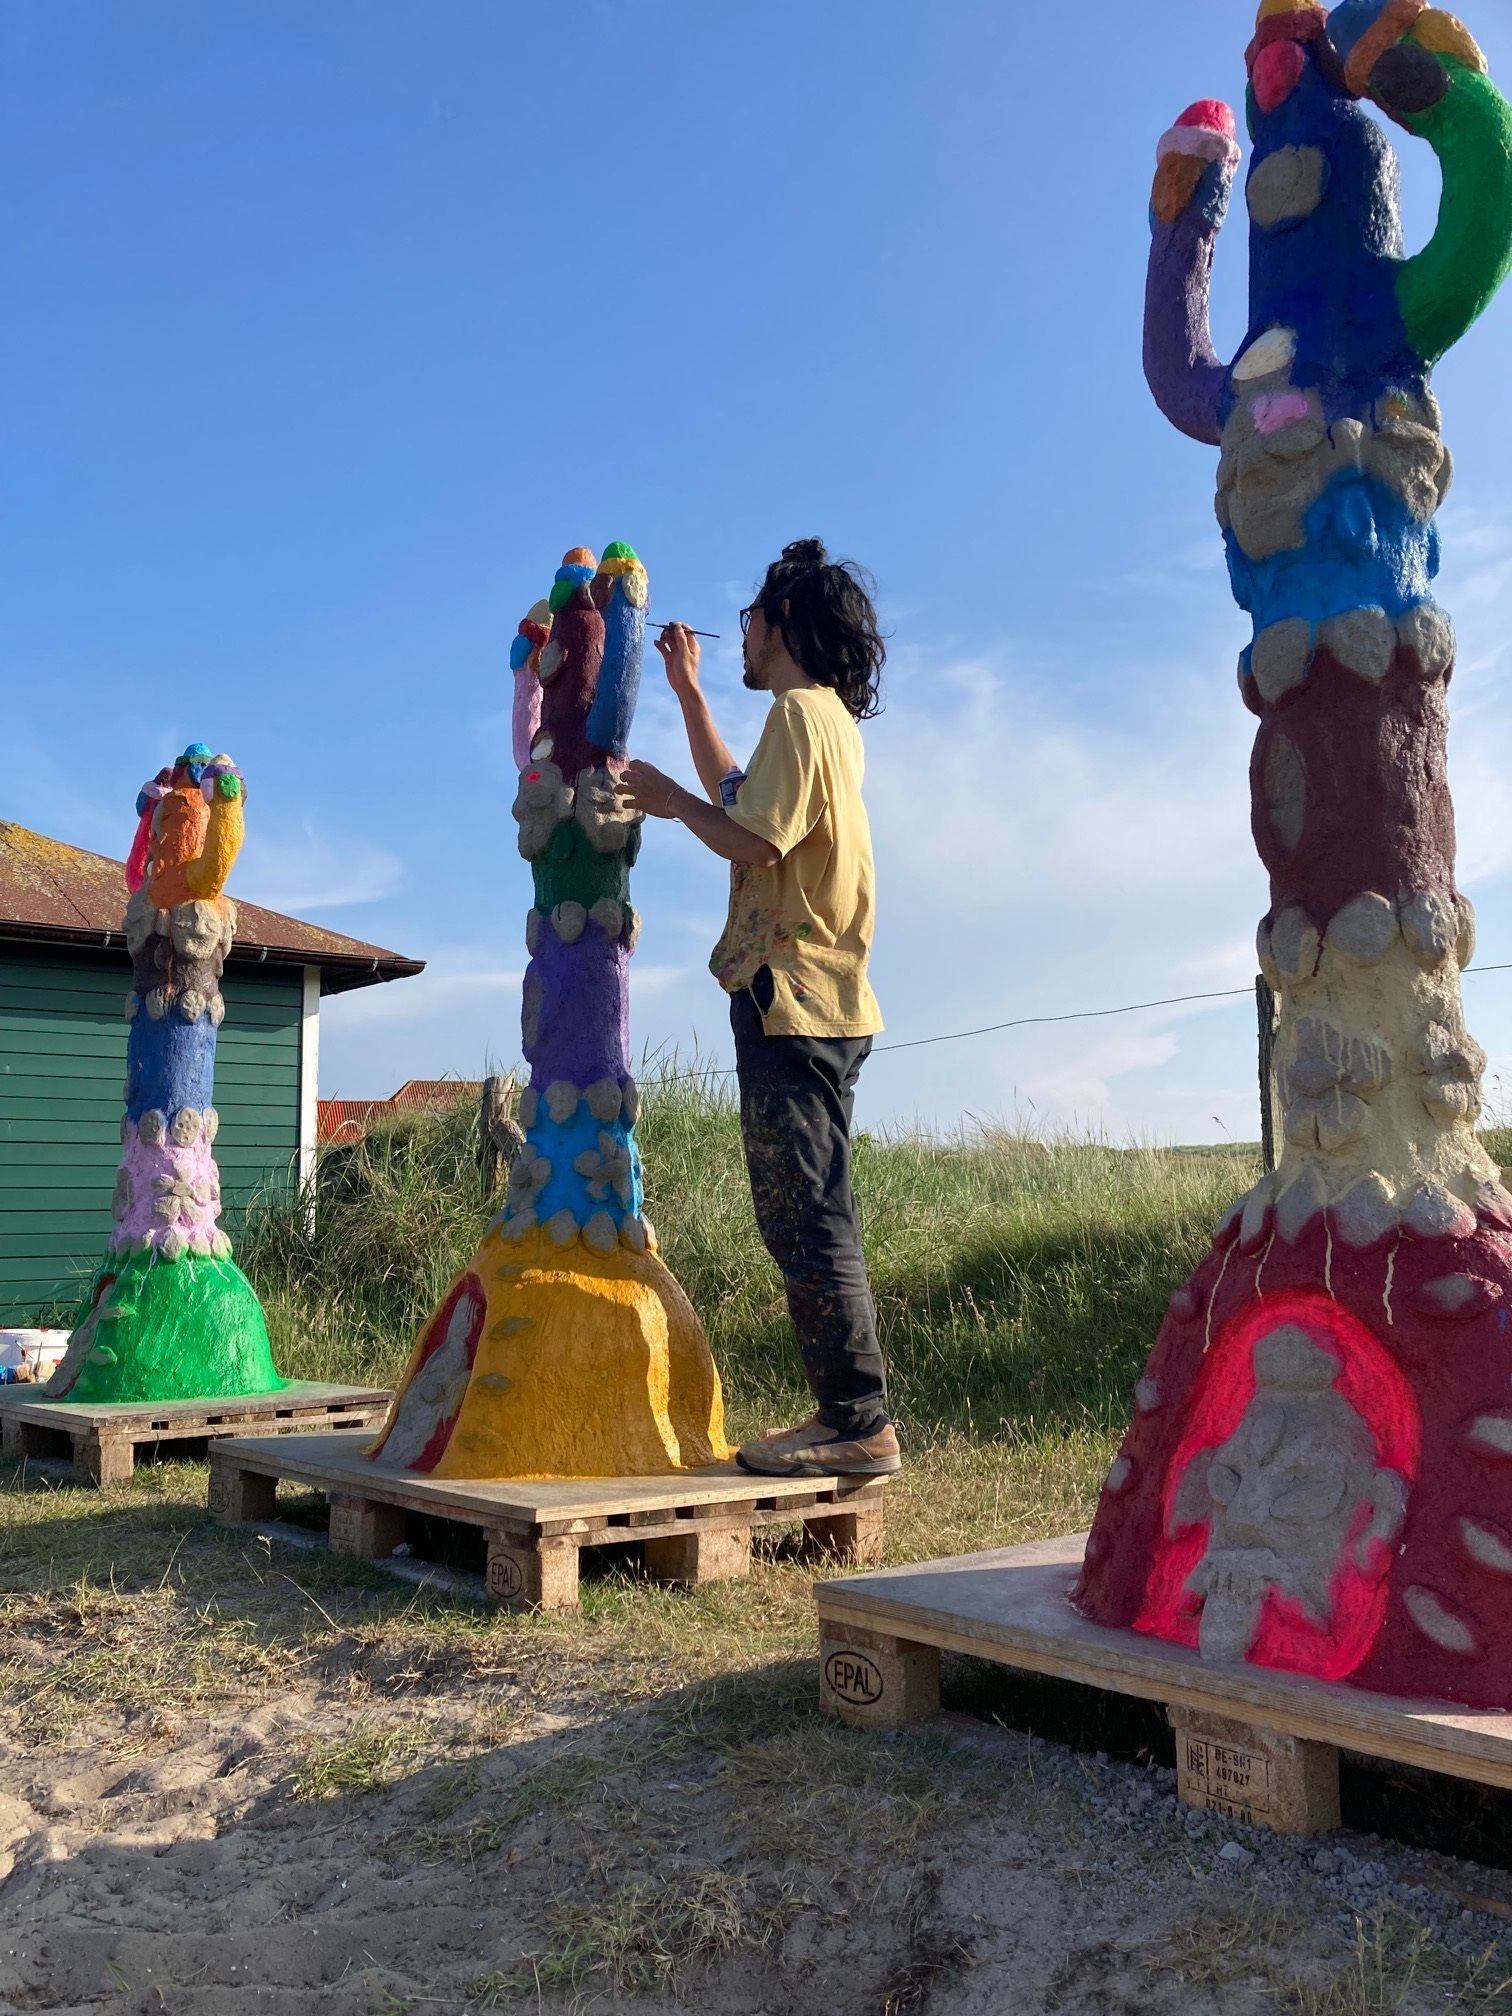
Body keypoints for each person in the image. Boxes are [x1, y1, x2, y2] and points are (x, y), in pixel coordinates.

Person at [620, 538, 898, 1479]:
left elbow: (752, 840)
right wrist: (689, 694)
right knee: (811, 1210)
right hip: (826, 998)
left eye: (750, 617)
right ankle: (850, 1416)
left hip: (793, 999)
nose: (740, 633)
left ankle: (856, 1422)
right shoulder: (824, 723)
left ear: (781, 624)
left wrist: (664, 800)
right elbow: (743, 799)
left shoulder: (796, 714)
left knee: (805, 1216)